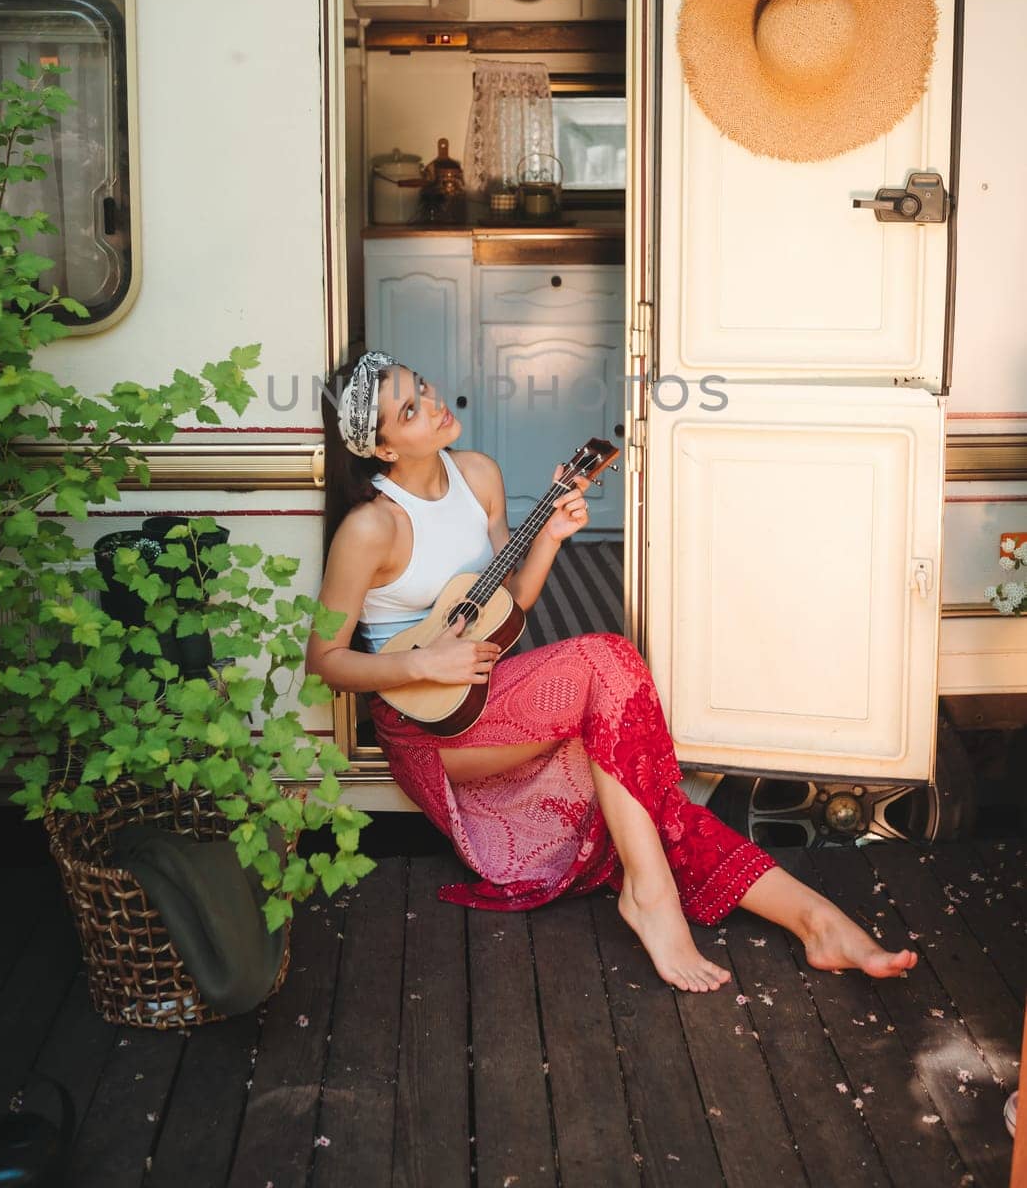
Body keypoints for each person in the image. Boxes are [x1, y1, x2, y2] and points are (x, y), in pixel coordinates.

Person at [306, 351, 919, 993]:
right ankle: (664, 902)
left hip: (490, 693)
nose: (433, 405)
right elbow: (324, 660)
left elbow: (503, 605)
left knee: (640, 787)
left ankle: (815, 920)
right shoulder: (371, 528)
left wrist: (550, 537)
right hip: (427, 730)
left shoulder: (479, 475)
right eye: (409, 410)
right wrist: (422, 661)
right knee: (609, 661)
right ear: (379, 448)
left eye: (424, 387)